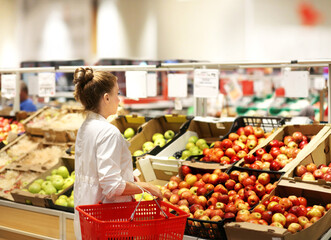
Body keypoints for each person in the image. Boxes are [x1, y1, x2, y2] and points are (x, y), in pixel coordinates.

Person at [73, 67, 162, 239]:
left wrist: (127, 177)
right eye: (117, 94)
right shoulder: (108, 132)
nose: (119, 99)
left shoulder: (87, 126)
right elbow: (111, 186)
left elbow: (96, 170)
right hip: (108, 217)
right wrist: (147, 188)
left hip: (87, 212)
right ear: (106, 98)